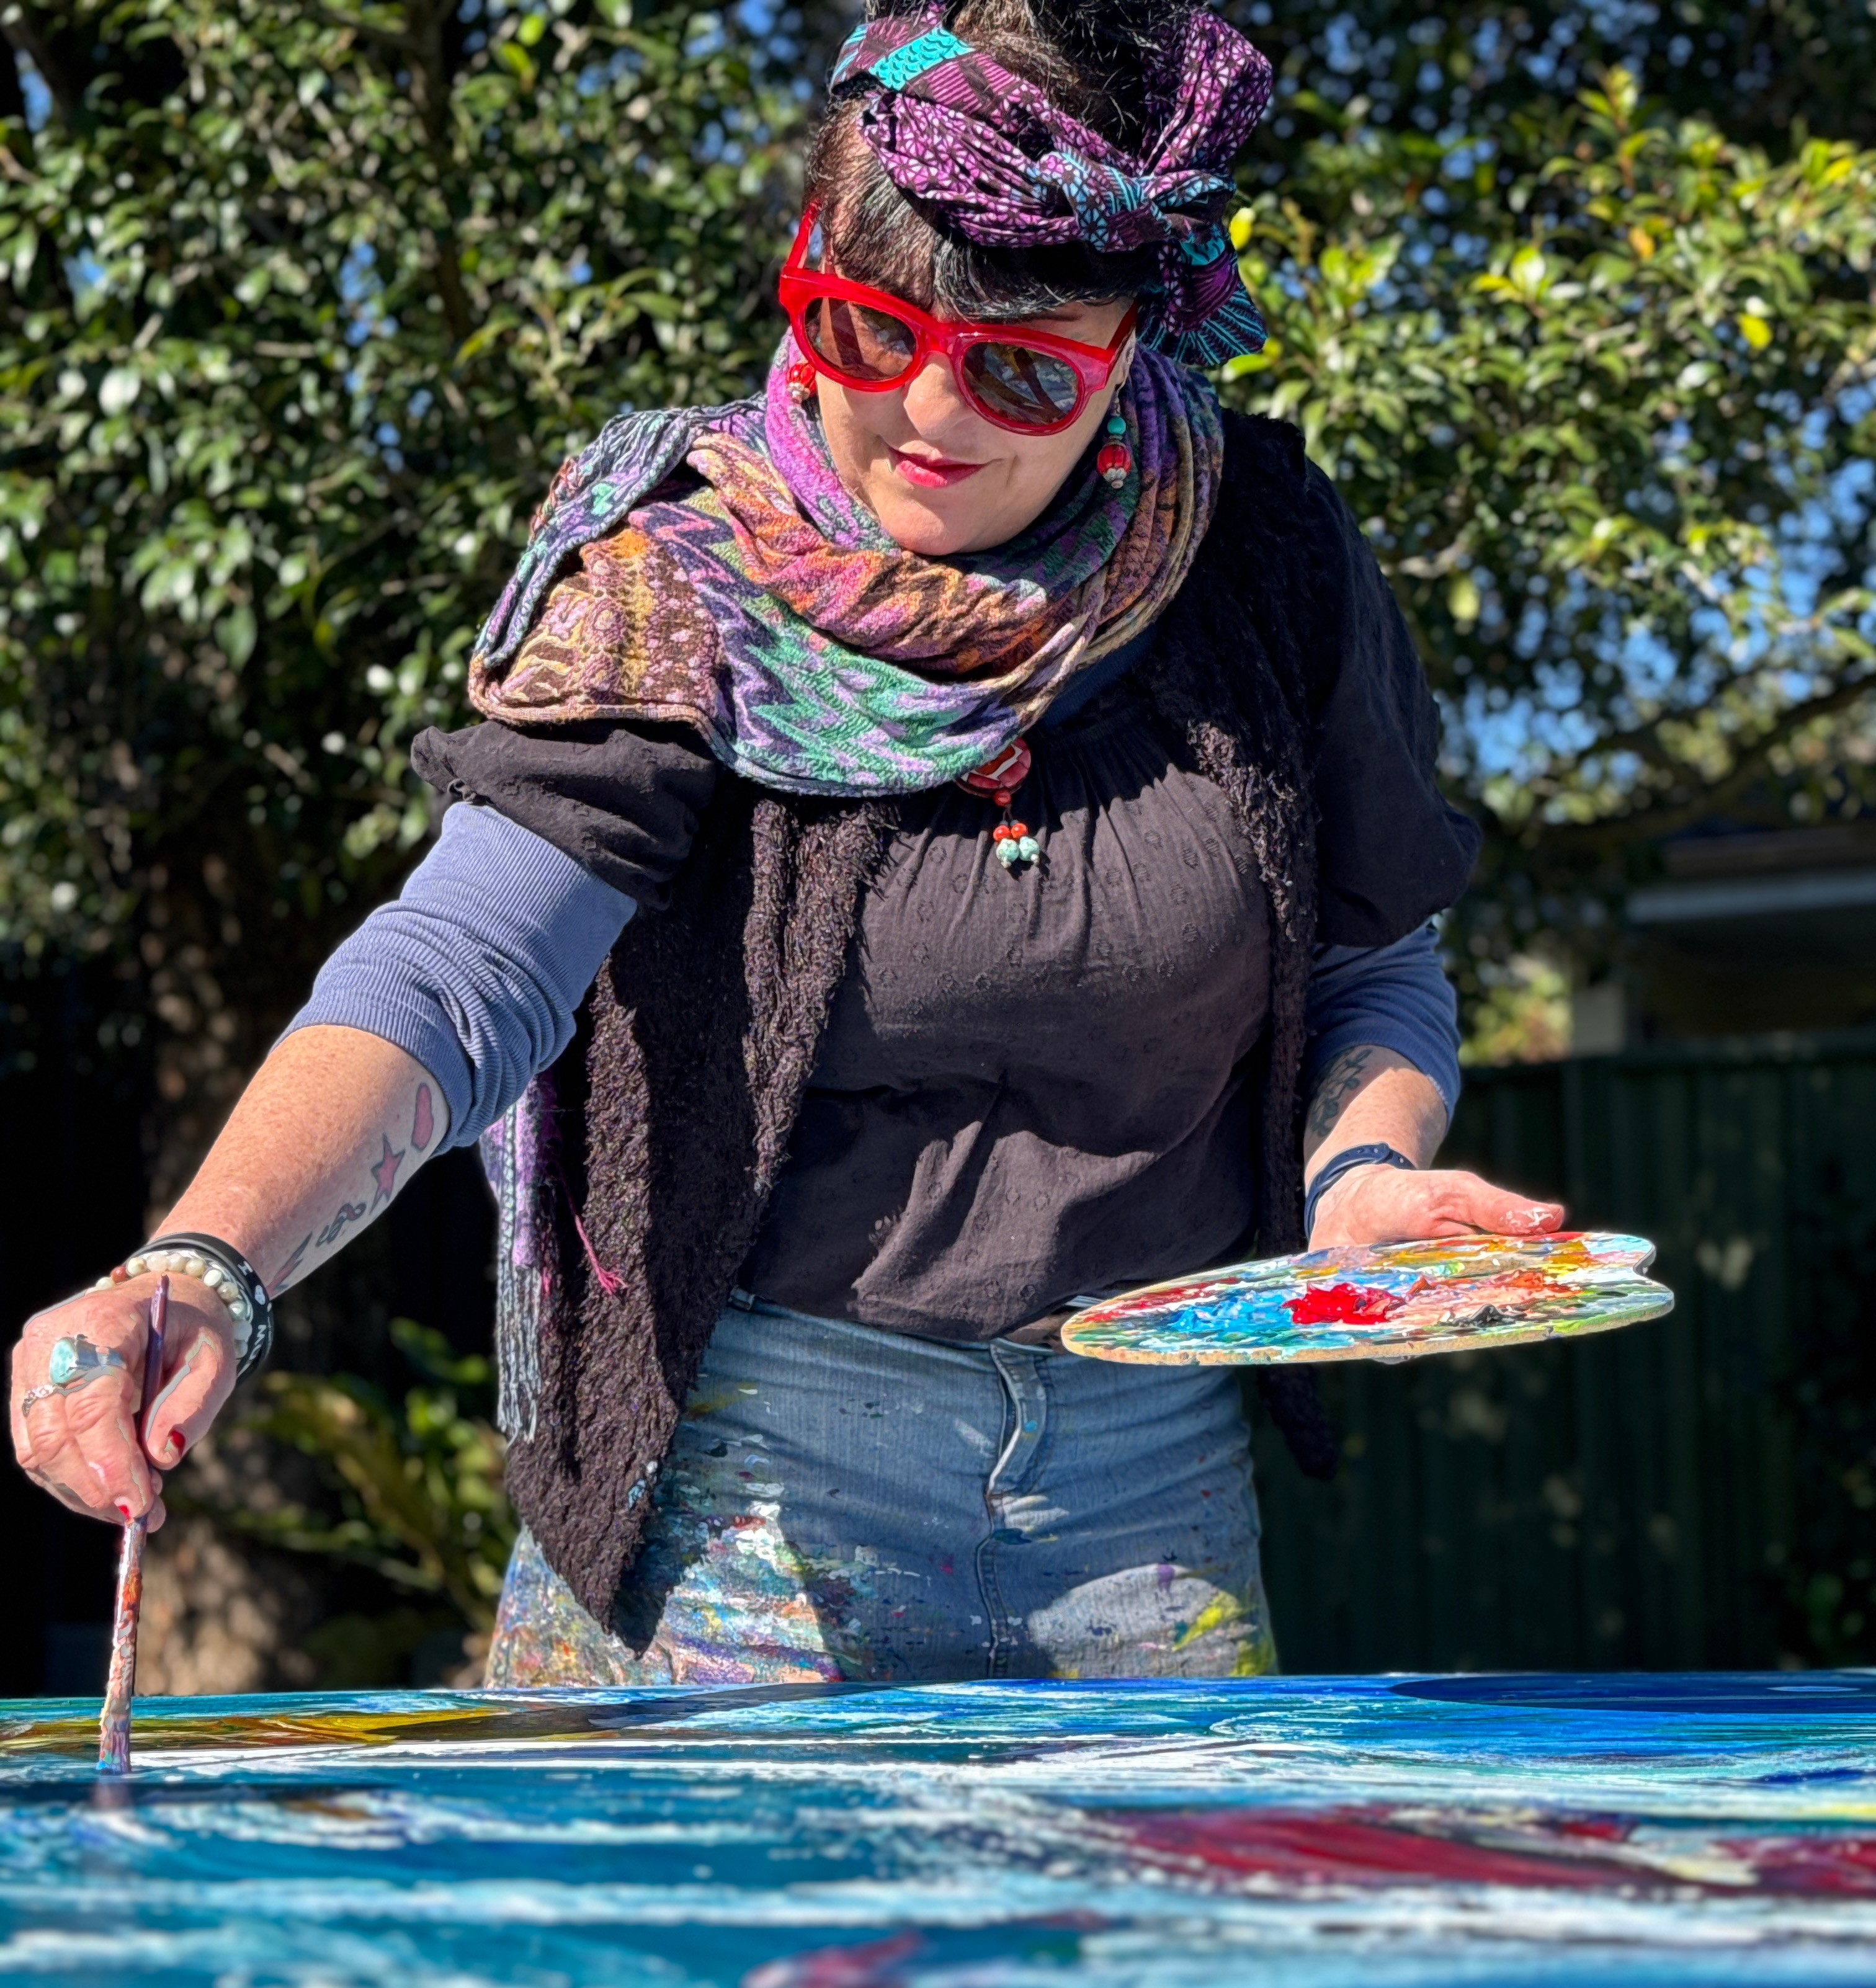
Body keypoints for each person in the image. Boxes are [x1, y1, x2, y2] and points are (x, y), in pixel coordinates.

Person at [9, 0, 1561, 1688]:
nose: (933, 414)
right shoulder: (683, 580)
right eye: (869, 331)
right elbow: (460, 970)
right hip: (736, 1509)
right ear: (806, 276)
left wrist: (1360, 1182)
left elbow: (1371, 966)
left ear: (1135, 349)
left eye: (1024, 368)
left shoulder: (1258, 557)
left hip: (1151, 1497)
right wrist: (206, 1257)